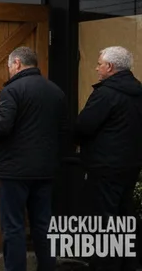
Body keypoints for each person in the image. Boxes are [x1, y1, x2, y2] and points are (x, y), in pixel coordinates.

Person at [0, 47, 67, 271]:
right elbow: (63, 130)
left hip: (14, 171)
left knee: (13, 227)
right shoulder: (56, 91)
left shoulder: (12, 90)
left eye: (8, 67)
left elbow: (2, 127)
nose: (8, 71)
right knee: (43, 225)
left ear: (16, 63)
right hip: (45, 169)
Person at [74, 46, 142, 271]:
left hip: (104, 166)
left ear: (110, 67)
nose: (96, 68)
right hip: (130, 165)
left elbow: (84, 126)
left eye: (99, 63)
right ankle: (129, 264)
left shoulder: (105, 93)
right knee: (124, 213)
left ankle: (106, 265)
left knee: (103, 219)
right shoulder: (138, 91)